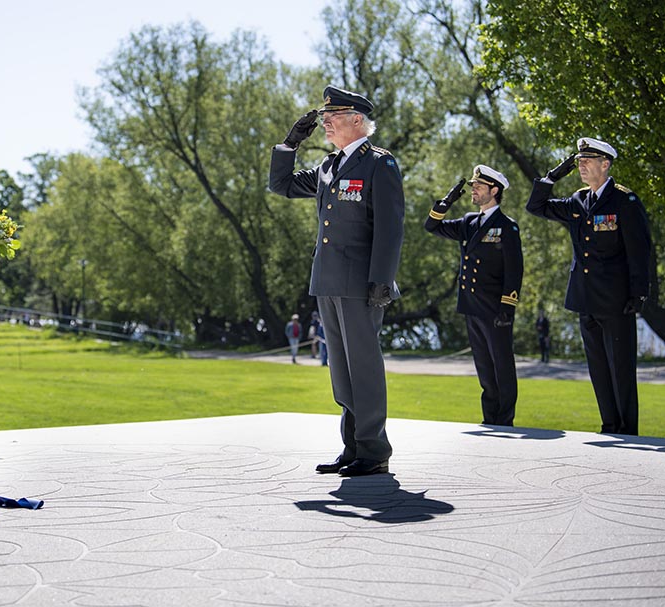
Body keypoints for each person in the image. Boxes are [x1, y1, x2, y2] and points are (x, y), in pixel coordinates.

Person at [269, 85, 405, 476]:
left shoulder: (380, 164)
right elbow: (282, 185)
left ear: (357, 121)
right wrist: (289, 144)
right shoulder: (329, 166)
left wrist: (382, 280)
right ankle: (353, 447)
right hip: (328, 280)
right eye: (325, 118)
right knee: (341, 372)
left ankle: (375, 450)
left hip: (361, 284)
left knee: (363, 367)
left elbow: (390, 228)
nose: (325, 122)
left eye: (334, 117)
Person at [526, 137, 652, 435]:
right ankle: (609, 426)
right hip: (585, 298)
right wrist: (552, 177)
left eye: (587, 161)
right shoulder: (578, 200)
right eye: (579, 161)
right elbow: (536, 207)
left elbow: (640, 249)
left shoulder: (624, 201)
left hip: (616, 299)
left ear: (605, 164)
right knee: (597, 368)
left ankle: (627, 430)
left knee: (621, 369)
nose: (581, 165)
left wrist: (639, 292)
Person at [424, 165, 523, 426]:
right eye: (472, 186)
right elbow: (432, 226)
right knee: (484, 366)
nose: (473, 191)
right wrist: (446, 202)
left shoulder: (506, 227)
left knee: (501, 364)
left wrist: (507, 307)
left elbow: (514, 271)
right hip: (471, 305)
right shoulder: (469, 222)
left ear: (494, 190)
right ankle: (490, 417)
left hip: (495, 308)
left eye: (478, 186)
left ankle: (505, 418)